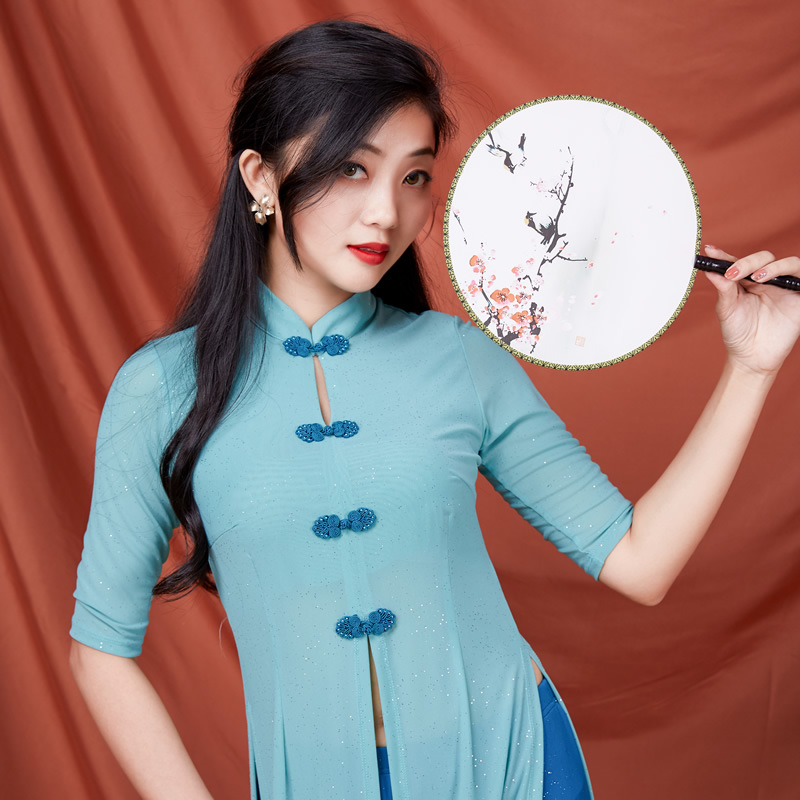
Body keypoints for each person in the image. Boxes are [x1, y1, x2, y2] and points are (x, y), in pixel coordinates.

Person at [68, 19, 800, 800]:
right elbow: (99, 650)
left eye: (413, 176)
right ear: (260, 176)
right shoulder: (162, 388)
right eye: (353, 167)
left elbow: (640, 562)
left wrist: (750, 368)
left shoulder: (458, 358)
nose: (386, 212)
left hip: (518, 768)